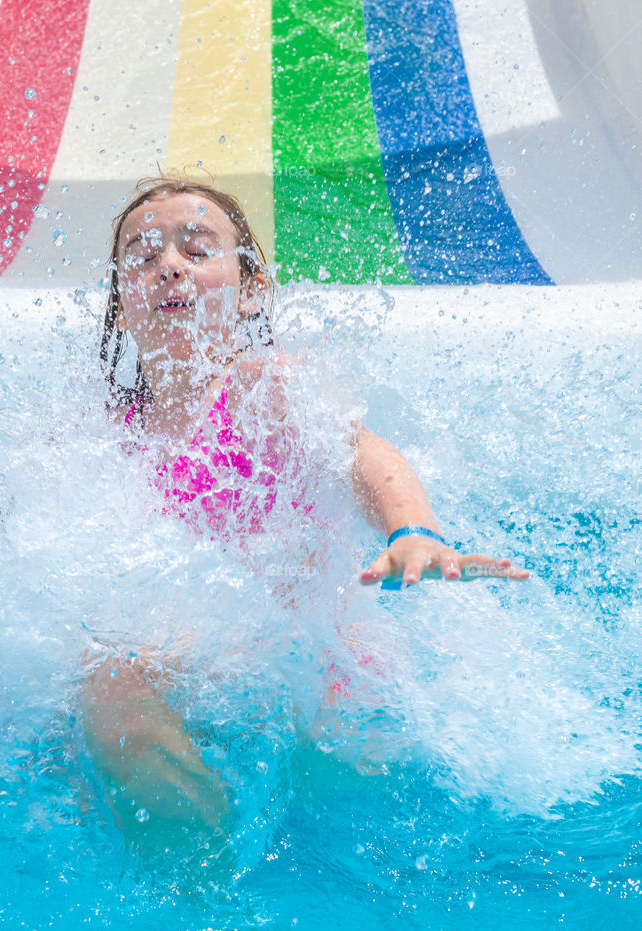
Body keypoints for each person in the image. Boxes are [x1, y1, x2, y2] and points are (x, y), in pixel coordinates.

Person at [80, 172, 528, 853]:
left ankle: (195, 899)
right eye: (141, 258)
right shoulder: (108, 435)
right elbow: (15, 514)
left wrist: (412, 531)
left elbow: (361, 453)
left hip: (328, 689)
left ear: (251, 287)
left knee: (113, 683)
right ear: (119, 302)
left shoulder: (263, 387)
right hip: (214, 679)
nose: (167, 265)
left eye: (195, 251)